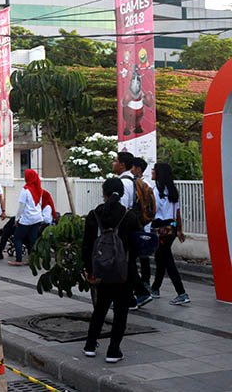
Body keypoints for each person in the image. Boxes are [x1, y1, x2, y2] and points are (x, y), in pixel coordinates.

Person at [82, 177, 141, 363]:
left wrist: (89, 269)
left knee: (100, 308)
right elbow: (137, 246)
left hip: (101, 270)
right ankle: (113, 351)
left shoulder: (94, 214)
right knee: (121, 312)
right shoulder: (129, 216)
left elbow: (87, 245)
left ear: (104, 193)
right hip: (124, 273)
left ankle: (90, 345)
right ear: (121, 193)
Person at [113, 151, 152, 310]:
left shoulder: (123, 183)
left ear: (122, 164)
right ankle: (135, 296)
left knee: (125, 264)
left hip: (124, 229)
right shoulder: (133, 181)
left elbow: (120, 209)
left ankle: (135, 297)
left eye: (115, 161)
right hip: (133, 228)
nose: (114, 163)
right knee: (127, 264)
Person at [150, 163, 190, 305]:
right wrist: (179, 229)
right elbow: (177, 212)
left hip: (161, 230)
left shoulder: (156, 191)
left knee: (167, 260)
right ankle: (155, 288)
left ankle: (181, 293)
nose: (152, 171)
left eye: (154, 169)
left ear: (159, 173)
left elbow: (153, 212)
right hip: (171, 229)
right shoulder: (172, 191)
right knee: (161, 258)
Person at [8, 169, 44, 266]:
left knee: (17, 238)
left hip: (27, 218)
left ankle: (18, 260)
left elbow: (21, 206)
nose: (24, 177)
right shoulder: (39, 189)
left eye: (25, 175)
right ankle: (31, 260)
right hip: (37, 217)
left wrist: (17, 218)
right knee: (32, 239)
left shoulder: (25, 190)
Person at [131, 157, 153, 289]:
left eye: (132, 167)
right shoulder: (138, 183)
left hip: (142, 224)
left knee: (142, 255)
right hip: (141, 224)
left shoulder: (144, 185)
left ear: (138, 169)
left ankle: (145, 281)